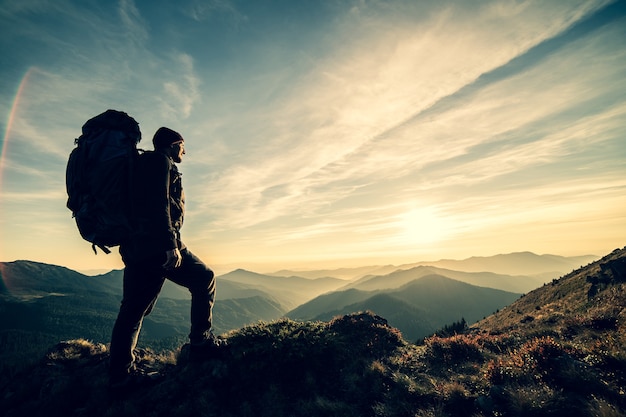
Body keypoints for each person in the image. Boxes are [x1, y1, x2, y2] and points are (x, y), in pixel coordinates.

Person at [108, 127, 224, 387]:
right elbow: (157, 204)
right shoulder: (160, 162)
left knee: (134, 309)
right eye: (183, 146)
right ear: (174, 144)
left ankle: (119, 375)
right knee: (204, 278)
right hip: (158, 246)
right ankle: (200, 343)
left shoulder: (140, 165)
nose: (185, 151)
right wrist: (170, 245)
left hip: (137, 248)